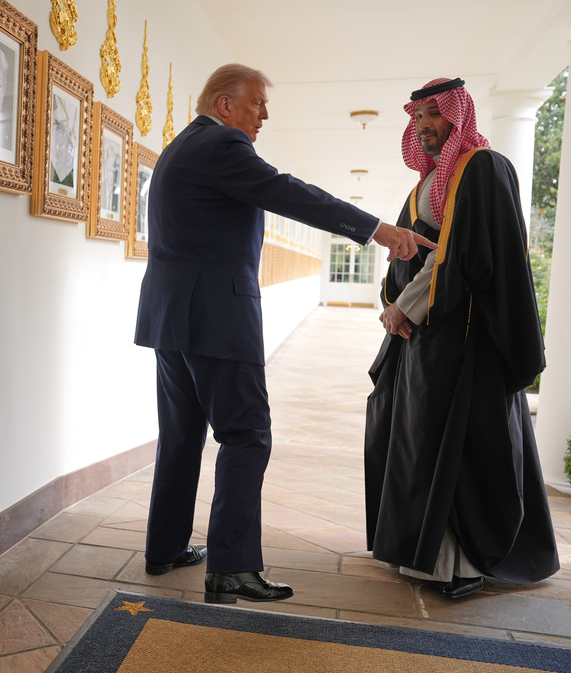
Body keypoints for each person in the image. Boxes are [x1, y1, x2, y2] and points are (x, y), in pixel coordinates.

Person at [133, 63, 435, 604]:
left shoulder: (181, 148)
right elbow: (290, 192)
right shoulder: (223, 147)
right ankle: (232, 567)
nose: (264, 115)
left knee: (181, 435)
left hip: (170, 319)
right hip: (217, 320)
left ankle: (166, 547)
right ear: (224, 105)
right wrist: (378, 229)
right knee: (247, 435)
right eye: (256, 104)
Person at [364, 78, 559, 599]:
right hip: (426, 338)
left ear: (458, 116)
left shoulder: (481, 168)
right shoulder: (426, 184)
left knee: (458, 447)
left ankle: (460, 564)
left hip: (467, 339)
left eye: (434, 114)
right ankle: (417, 552)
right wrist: (391, 305)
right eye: (418, 116)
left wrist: (404, 308)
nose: (424, 124)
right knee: (418, 441)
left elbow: (467, 257)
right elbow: (409, 253)